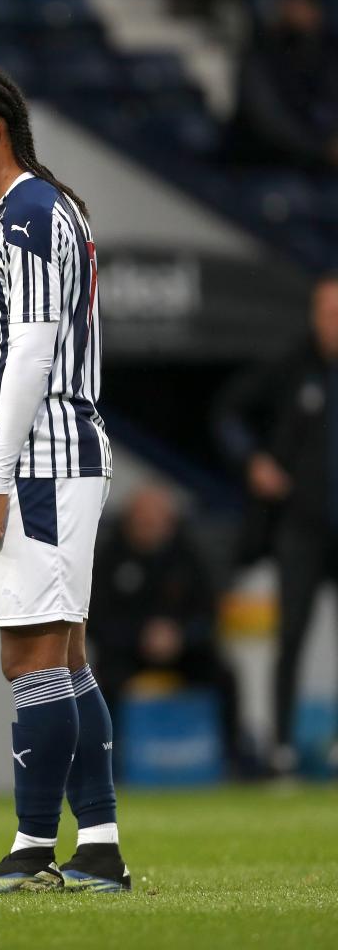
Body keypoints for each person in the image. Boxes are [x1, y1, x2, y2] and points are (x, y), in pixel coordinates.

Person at [0, 66, 127, 896]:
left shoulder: (30, 215)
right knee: (66, 656)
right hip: (62, 456)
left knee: (31, 655)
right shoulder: (45, 208)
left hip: (42, 459)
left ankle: (32, 850)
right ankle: (100, 850)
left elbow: (33, 353)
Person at [214, 272, 338, 775]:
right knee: (292, 634)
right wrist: (253, 461)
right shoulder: (290, 366)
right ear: (314, 316)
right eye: (329, 313)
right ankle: (283, 745)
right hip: (300, 525)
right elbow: (228, 412)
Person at [91, 485, 245, 772]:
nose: (150, 524)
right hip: (128, 651)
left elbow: (208, 613)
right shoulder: (110, 558)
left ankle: (233, 758)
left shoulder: (187, 555)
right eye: (143, 518)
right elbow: (96, 620)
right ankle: (109, 764)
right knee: (100, 684)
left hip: (182, 650)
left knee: (224, 676)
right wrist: (140, 636)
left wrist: (180, 636)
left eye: (157, 518)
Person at [225, 0, 338, 172]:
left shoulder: (326, 52)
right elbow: (268, 117)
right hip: (264, 165)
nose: (298, 10)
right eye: (291, 2)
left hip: (315, 163)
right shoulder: (262, 55)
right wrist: (320, 147)